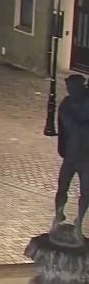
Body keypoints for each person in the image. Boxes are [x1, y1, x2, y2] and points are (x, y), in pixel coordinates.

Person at [55, 75, 89, 229]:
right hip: (70, 155)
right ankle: (58, 214)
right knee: (62, 186)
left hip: (86, 158)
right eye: (70, 89)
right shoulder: (67, 105)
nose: (71, 91)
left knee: (86, 191)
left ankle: (79, 221)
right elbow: (65, 126)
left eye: (74, 88)